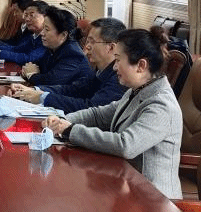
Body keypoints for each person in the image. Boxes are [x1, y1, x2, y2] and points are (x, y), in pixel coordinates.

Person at [42, 27, 183, 199]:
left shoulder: (161, 105)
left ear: (141, 65)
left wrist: (70, 130)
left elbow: (126, 145)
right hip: (127, 185)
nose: (114, 67)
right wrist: (61, 120)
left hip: (154, 200)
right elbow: (99, 115)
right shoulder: (137, 91)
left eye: (118, 60)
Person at [11, 17, 127, 114]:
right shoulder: (100, 70)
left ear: (111, 47)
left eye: (92, 41)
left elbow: (90, 108)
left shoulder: (119, 78)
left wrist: (42, 97)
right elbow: (74, 89)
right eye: (87, 41)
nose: (87, 46)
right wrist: (35, 91)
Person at [20, 7, 92, 86]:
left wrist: (31, 75)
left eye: (47, 29)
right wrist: (27, 69)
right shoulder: (53, 47)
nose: (42, 33)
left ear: (63, 35)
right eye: (43, 28)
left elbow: (50, 82)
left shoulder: (73, 54)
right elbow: (35, 66)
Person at [0, 0, 48, 64]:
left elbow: (29, 58)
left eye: (31, 15)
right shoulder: (34, 36)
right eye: (26, 15)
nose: (27, 19)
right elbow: (16, 49)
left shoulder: (47, 38)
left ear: (45, 17)